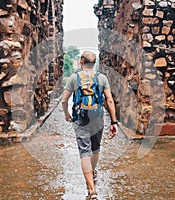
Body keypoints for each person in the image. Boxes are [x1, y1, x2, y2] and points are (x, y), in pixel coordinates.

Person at [61, 51, 118, 200]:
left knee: (85, 152)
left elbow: (64, 100)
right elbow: (109, 101)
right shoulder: (101, 78)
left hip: (81, 117)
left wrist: (67, 115)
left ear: (81, 62)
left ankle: (91, 190)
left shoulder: (74, 78)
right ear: (94, 63)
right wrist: (114, 121)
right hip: (97, 117)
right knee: (96, 148)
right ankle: (91, 173)